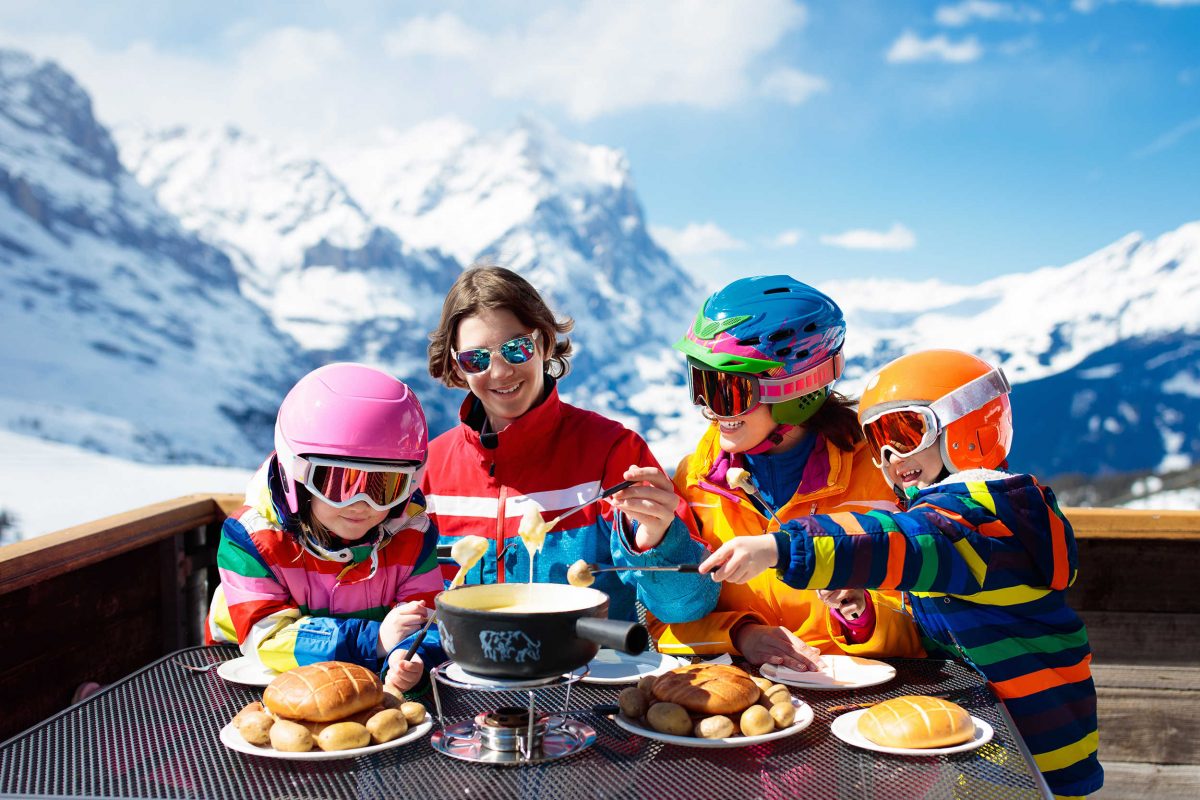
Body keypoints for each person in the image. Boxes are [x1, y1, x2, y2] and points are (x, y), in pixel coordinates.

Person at [701, 349, 1102, 798]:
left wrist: (780, 547)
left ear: (968, 427)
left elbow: (898, 539)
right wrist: (861, 604)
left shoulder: (979, 519)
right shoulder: (975, 515)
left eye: (904, 431)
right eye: (875, 441)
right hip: (999, 734)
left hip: (1031, 749)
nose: (889, 455)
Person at [648, 275, 923, 669]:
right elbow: (664, 621)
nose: (708, 407)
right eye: (700, 384)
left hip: (863, 705)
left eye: (727, 390)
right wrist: (742, 635)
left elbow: (934, 623)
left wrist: (862, 616)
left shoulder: (884, 474)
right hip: (747, 703)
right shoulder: (696, 480)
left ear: (796, 390)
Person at [422, 265, 718, 624]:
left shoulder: (613, 453)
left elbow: (688, 607)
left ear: (544, 344)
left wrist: (658, 540)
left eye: (516, 349)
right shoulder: (429, 470)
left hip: (588, 674)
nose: (499, 372)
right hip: (463, 674)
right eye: (476, 359)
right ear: (456, 367)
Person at [207, 363, 445, 694]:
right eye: (340, 483)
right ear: (297, 476)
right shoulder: (252, 538)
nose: (362, 503)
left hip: (365, 683)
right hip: (251, 681)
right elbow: (268, 636)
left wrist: (411, 655)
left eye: (385, 486)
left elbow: (428, 619)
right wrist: (373, 640)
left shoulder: (411, 534)